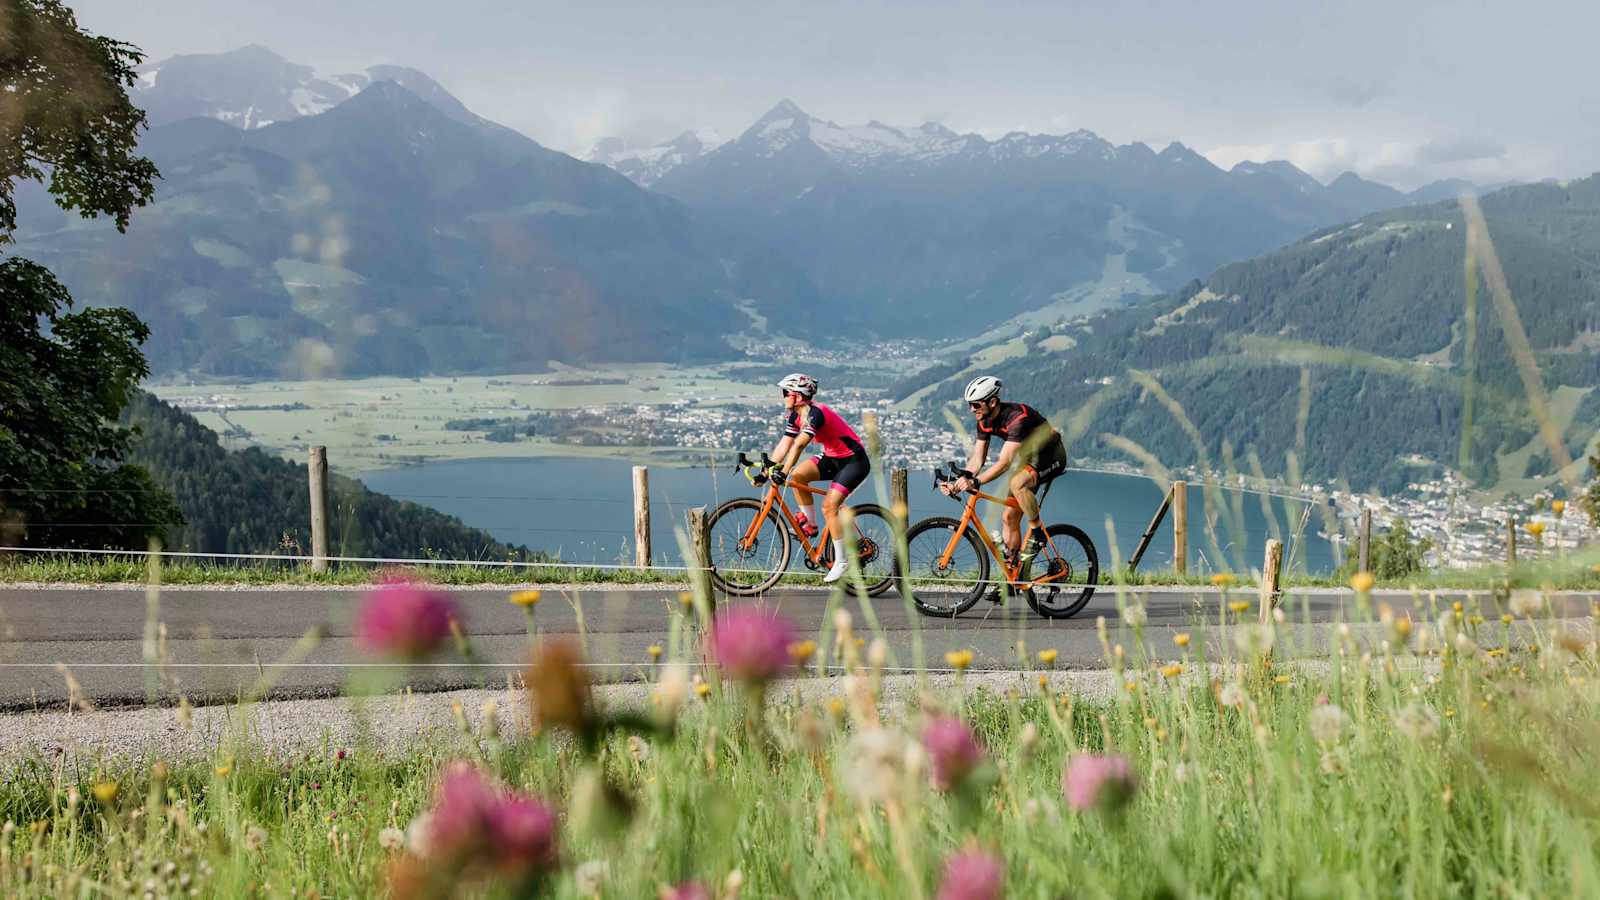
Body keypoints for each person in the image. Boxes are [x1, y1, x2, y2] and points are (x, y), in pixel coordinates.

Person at [941, 375, 1068, 574]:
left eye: (975, 405)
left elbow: (1004, 462)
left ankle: (1037, 532)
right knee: (1009, 517)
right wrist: (957, 483)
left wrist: (976, 481)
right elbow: (976, 460)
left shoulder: (1017, 418)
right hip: (1028, 459)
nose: (971, 410)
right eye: (970, 405)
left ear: (992, 402)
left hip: (1050, 456)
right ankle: (1013, 573)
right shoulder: (983, 420)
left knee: (1017, 483)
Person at [762, 373, 871, 583]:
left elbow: (799, 445)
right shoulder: (795, 415)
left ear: (798, 396)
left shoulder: (816, 414)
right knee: (799, 476)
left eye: (786, 392)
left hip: (853, 461)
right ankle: (811, 525)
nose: (783, 396)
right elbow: (785, 443)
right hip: (832, 457)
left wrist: (782, 471)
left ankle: (841, 561)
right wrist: (766, 469)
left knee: (829, 507)